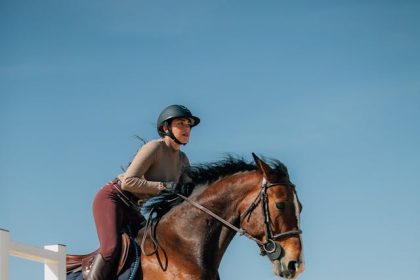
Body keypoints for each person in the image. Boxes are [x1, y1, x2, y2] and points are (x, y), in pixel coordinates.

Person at [83, 104, 200, 280]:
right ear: (165, 127)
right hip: (113, 197)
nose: (186, 128)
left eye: (188, 125)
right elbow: (129, 181)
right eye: (181, 123)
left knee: (147, 246)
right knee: (111, 248)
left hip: (134, 208)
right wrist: (166, 187)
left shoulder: (183, 160)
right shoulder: (154, 147)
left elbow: (188, 194)